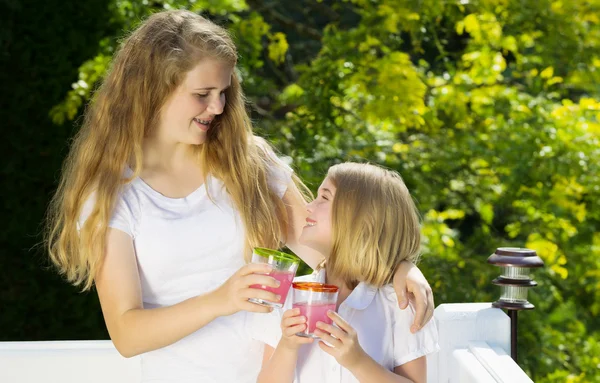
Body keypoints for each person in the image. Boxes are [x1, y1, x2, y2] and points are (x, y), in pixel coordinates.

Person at [44, 10, 435, 383]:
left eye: (223, 92)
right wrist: (221, 299)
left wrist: (403, 269)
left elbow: (331, 248)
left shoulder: (249, 163)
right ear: (152, 90)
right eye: (202, 93)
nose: (217, 107)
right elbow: (127, 335)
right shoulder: (114, 195)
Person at [256, 162, 440, 383]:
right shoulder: (288, 295)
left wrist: (357, 361)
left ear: (361, 219)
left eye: (324, 198)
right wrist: (287, 346)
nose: (308, 207)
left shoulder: (400, 303)